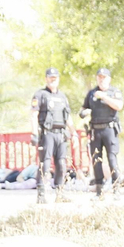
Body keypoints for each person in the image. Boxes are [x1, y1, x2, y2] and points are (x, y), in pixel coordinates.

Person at [30, 68, 73, 204]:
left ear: (58, 79)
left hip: (61, 134)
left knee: (61, 164)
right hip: (47, 134)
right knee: (45, 164)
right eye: (50, 78)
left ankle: (60, 193)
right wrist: (34, 133)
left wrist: (74, 133)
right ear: (46, 79)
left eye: (55, 78)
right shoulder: (40, 95)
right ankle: (41, 194)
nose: (52, 80)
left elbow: (68, 117)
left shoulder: (62, 97)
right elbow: (33, 114)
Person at [80, 68, 124, 197]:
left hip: (109, 129)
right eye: (99, 77)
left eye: (104, 77)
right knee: (96, 160)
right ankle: (99, 190)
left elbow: (119, 106)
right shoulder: (91, 93)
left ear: (109, 79)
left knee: (112, 159)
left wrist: (104, 96)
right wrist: (84, 112)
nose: (101, 79)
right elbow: (83, 109)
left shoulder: (114, 92)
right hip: (95, 130)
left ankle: (116, 188)